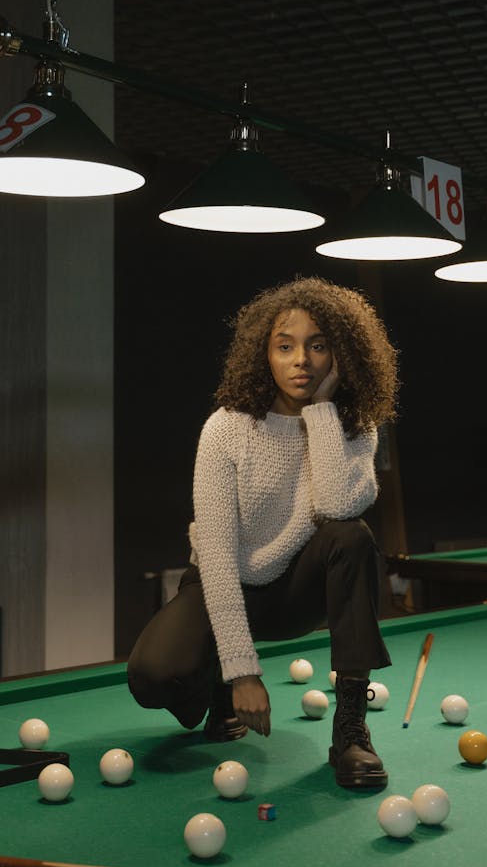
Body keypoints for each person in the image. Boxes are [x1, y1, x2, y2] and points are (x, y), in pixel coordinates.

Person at [127, 276, 399, 788]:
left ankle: (350, 730)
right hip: (223, 586)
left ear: (340, 355)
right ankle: (215, 695)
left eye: (318, 345)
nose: (302, 360)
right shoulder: (226, 428)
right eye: (285, 346)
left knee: (352, 536)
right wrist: (241, 673)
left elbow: (338, 506)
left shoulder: (355, 427)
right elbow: (217, 556)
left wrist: (321, 413)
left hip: (300, 591)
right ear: (263, 354)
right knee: (153, 677)